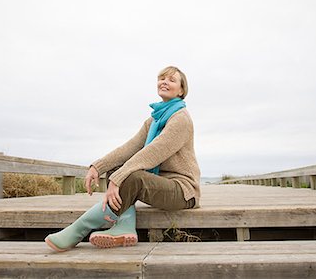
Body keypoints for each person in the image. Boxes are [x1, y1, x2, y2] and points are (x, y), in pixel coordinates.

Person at [45, 66, 200, 251]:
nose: (164, 82)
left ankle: (78, 230)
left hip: (183, 191)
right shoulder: (154, 120)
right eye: (162, 78)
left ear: (182, 90)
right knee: (117, 168)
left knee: (132, 177)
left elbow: (154, 152)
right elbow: (130, 148)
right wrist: (98, 167)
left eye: (171, 80)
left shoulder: (181, 118)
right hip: (161, 183)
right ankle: (125, 226)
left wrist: (118, 178)